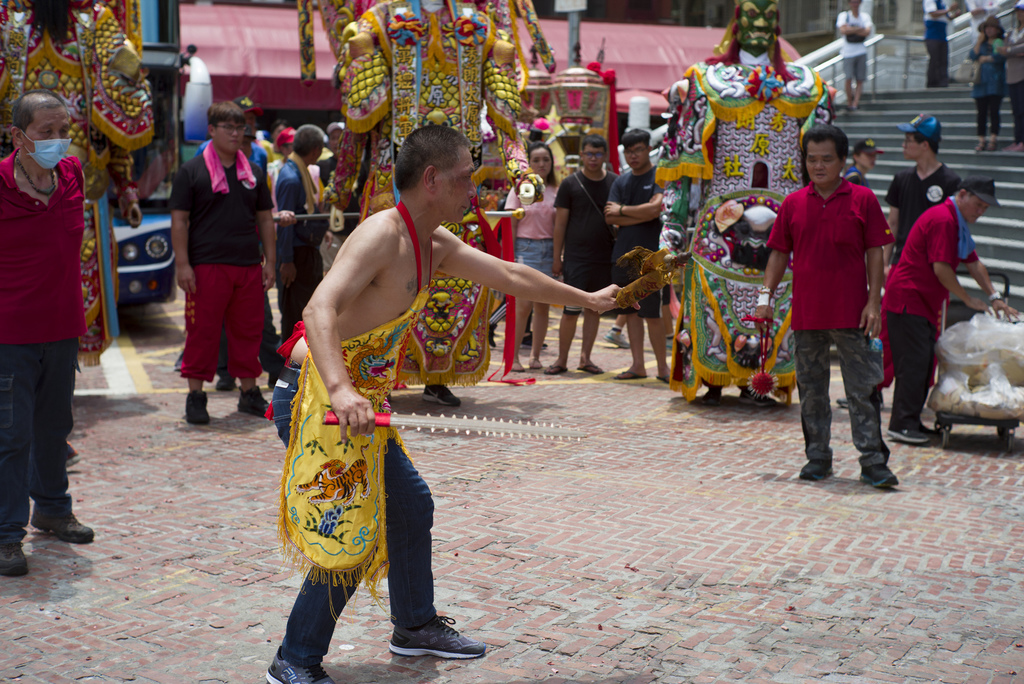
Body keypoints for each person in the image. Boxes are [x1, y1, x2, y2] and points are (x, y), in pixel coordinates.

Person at [266, 125, 620, 684]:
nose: (472, 193)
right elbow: (317, 310)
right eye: (463, 180)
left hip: (360, 402)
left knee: (410, 505)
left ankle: (413, 627)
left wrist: (587, 298)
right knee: (351, 527)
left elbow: (509, 274)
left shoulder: (433, 242)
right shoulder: (380, 235)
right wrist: (341, 389)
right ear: (430, 179)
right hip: (319, 397)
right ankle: (293, 658)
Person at [656, 0, 833, 406]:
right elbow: (685, 171)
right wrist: (672, 229)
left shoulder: (809, 86)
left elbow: (823, 168)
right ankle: (713, 378)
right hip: (719, 227)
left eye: (767, 18)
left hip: (786, 223)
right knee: (717, 297)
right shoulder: (704, 81)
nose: (758, 27)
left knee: (774, 301)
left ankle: (763, 379)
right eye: (750, 18)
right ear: (737, 23)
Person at [755, 124, 897, 488]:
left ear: (842, 160)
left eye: (826, 159)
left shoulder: (862, 199)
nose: (818, 166)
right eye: (811, 159)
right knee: (811, 391)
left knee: (863, 390)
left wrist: (873, 303)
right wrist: (765, 297)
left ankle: (873, 462)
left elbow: (875, 254)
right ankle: (818, 458)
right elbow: (778, 254)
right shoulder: (792, 203)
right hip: (807, 314)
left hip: (854, 313)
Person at [1, 91, 95, 577]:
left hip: (61, 328)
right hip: (9, 335)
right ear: (18, 136)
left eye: (64, 130)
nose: (59, 141)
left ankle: (53, 510)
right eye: (46, 132)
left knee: (54, 428)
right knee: (11, 436)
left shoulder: (73, 174)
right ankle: (6, 535)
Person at [881, 177, 1018, 445]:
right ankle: (902, 424)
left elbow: (973, 262)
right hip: (908, 301)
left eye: (985, 208)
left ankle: (911, 422)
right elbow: (941, 269)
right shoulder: (943, 220)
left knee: (923, 364)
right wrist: (967, 299)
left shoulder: (957, 222)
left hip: (923, 304)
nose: (980, 212)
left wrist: (994, 297)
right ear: (963, 195)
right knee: (914, 365)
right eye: (977, 205)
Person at [169, 101, 275, 424]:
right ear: (211, 131)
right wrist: (183, 264)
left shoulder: (253, 173)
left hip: (246, 264)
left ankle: (249, 393)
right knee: (202, 332)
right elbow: (179, 221)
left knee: (248, 332)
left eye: (240, 127)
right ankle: (196, 396)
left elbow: (265, 219)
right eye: (227, 127)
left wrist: (270, 261)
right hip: (206, 266)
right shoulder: (191, 171)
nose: (235, 133)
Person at [546, 134, 618, 376]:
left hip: (604, 256)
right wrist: (558, 258)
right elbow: (560, 224)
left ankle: (586, 359)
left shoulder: (615, 182)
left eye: (598, 154)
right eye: (588, 153)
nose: (593, 158)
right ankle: (561, 359)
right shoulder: (570, 183)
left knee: (594, 309)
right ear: (582, 155)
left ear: (605, 156)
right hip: (576, 257)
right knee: (570, 311)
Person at [604, 129, 670, 382]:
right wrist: (634, 213)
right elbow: (609, 217)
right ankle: (638, 365)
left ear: (648, 149)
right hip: (622, 255)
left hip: (651, 259)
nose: (633, 156)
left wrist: (623, 211)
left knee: (652, 315)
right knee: (630, 313)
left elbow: (655, 210)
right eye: (629, 151)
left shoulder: (659, 176)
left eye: (638, 150)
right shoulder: (621, 181)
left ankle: (663, 368)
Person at [884, 115, 961, 269]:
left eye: (908, 140)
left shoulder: (951, 181)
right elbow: (892, 223)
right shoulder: (901, 178)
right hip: (902, 260)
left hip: (934, 264)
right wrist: (885, 263)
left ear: (925, 145)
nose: (903, 145)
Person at [506, 142, 558, 372]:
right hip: (524, 249)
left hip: (549, 249)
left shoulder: (557, 190)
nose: (541, 164)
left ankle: (535, 356)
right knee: (522, 305)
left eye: (545, 159)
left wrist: (559, 255)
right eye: (536, 160)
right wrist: (509, 255)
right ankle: (513, 357)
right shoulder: (520, 188)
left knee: (543, 305)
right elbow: (511, 224)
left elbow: (560, 226)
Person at [276, 124, 329, 338]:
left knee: (306, 312)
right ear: (316, 150)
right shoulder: (291, 178)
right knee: (296, 315)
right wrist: (287, 261)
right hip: (297, 257)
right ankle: (292, 368)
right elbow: (285, 223)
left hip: (306, 253)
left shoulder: (300, 171)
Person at [197, 96, 269, 173]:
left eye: (251, 118)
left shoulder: (260, 153)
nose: (248, 122)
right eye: (244, 118)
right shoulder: (205, 148)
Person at [969, 16, 1008, 152]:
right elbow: (973, 56)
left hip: (996, 82)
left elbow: (1001, 57)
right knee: (981, 112)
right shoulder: (982, 44)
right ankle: (981, 139)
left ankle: (993, 138)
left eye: (992, 27)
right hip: (980, 83)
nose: (989, 30)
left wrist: (987, 58)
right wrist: (979, 42)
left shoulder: (1000, 42)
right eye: (987, 28)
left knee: (994, 111)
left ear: (997, 30)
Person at [837, 0, 873, 111]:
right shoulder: (844, 16)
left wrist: (851, 29)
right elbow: (843, 30)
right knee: (848, 78)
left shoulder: (865, 17)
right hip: (848, 52)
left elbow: (867, 32)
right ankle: (849, 102)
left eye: (857, 2)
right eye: (853, 2)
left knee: (860, 79)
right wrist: (859, 29)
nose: (855, 4)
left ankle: (855, 103)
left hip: (861, 51)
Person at [997, 2, 1024, 152]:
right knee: (1016, 110)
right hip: (1012, 74)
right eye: (1018, 11)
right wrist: (1014, 51)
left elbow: (1010, 49)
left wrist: (1010, 50)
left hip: (1022, 75)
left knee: (1022, 109)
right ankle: (1017, 139)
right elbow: (1004, 49)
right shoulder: (1012, 32)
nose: (1020, 14)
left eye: (1022, 11)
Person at [924, 0, 960, 88]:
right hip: (933, 37)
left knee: (943, 60)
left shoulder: (942, 3)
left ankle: (943, 82)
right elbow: (933, 13)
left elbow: (946, 17)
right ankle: (932, 83)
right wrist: (948, 10)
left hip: (942, 37)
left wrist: (954, 15)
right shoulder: (930, 1)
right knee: (935, 60)